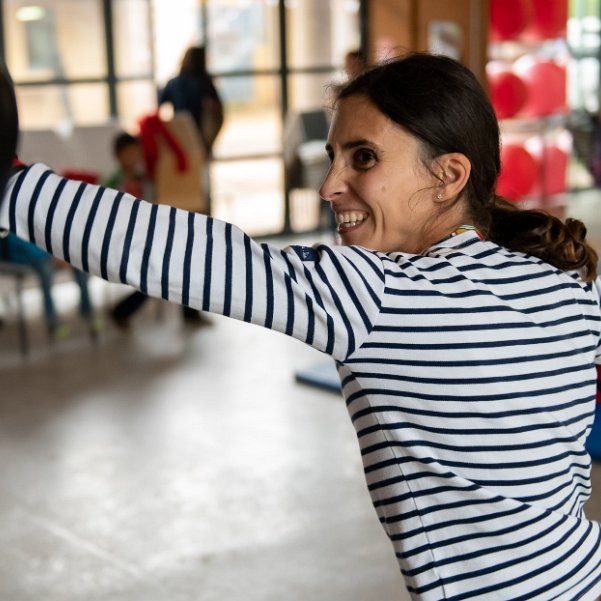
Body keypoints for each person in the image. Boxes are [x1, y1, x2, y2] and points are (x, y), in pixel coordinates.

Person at [3, 52, 601, 600]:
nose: (329, 185)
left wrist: (10, 184)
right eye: (332, 157)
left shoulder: (383, 295)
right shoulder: (563, 282)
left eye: (363, 158)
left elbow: (184, 252)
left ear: (448, 176)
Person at [1, 232, 98, 339]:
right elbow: (16, 244)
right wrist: (51, 257)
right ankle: (52, 322)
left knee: (78, 263)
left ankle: (87, 312)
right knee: (46, 270)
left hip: (46, 253)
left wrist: (61, 254)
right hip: (24, 256)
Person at [158, 45, 224, 157]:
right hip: (200, 133)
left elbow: (160, 105)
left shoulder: (173, 83)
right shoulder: (204, 82)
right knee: (200, 168)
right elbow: (217, 110)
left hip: (179, 132)